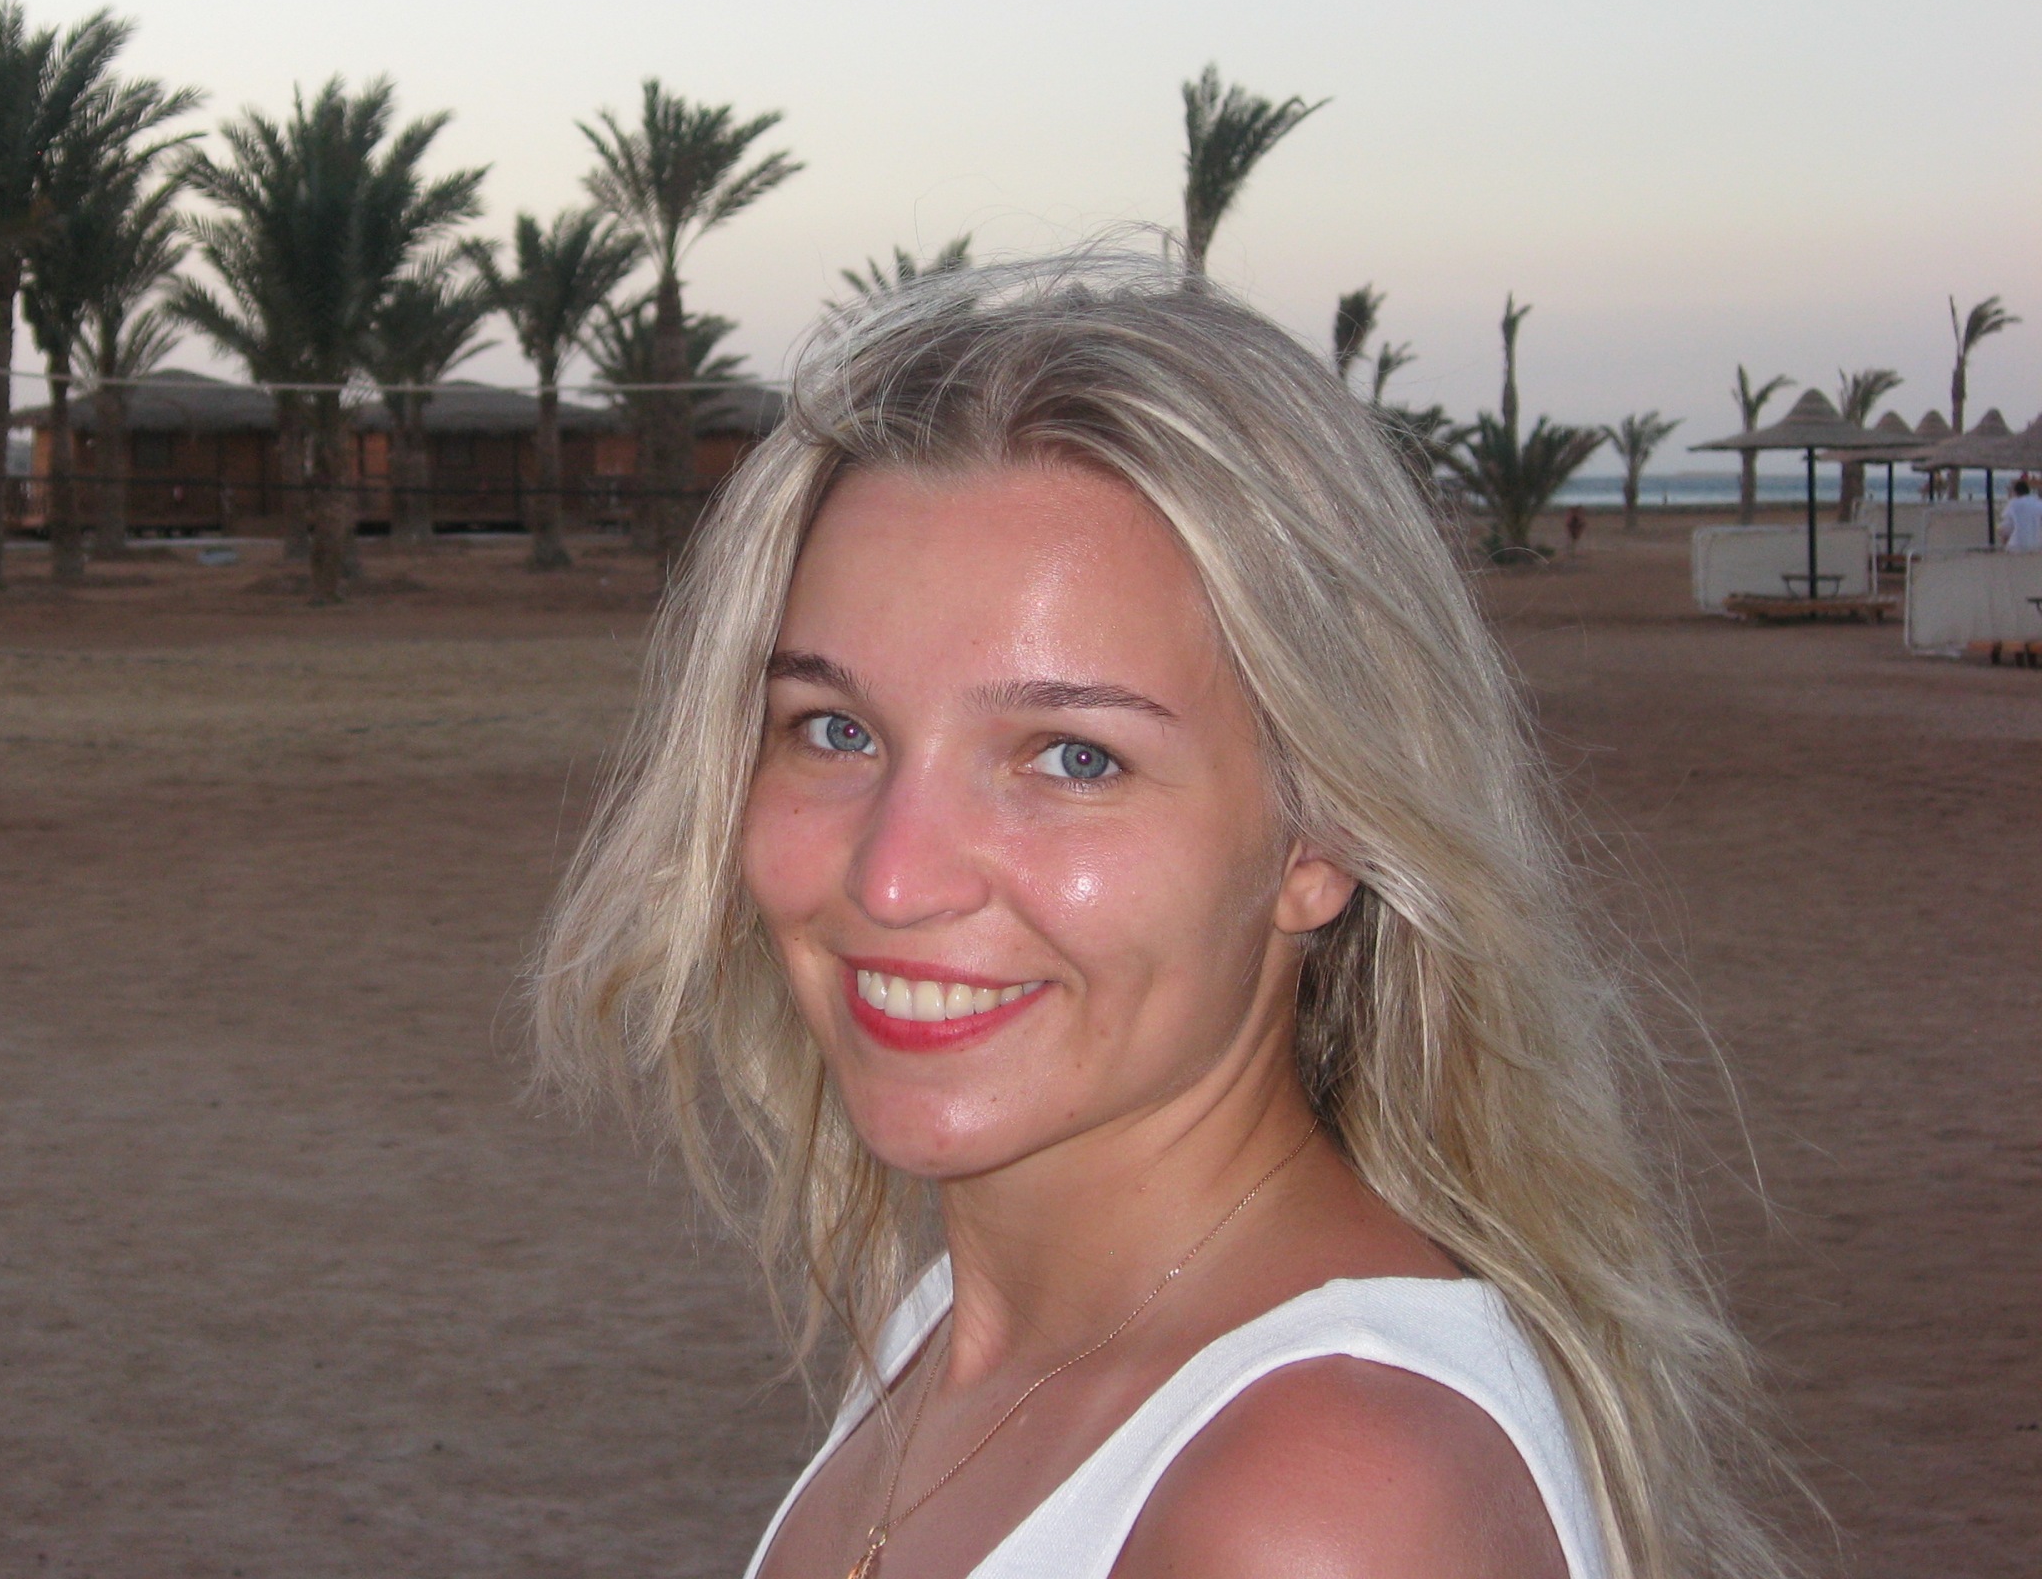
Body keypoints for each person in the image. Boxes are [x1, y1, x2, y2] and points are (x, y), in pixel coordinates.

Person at [532, 252, 1793, 1579]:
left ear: (1322, 832)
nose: (892, 879)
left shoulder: (1318, 1505)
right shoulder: (958, 1337)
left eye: (1073, 757)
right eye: (834, 729)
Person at [2000, 477, 2042, 552]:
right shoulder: (2039, 503)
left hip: (2017, 545)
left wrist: (2004, 543)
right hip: (2037, 545)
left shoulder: (2013, 503)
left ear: (2015, 492)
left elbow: (2006, 528)